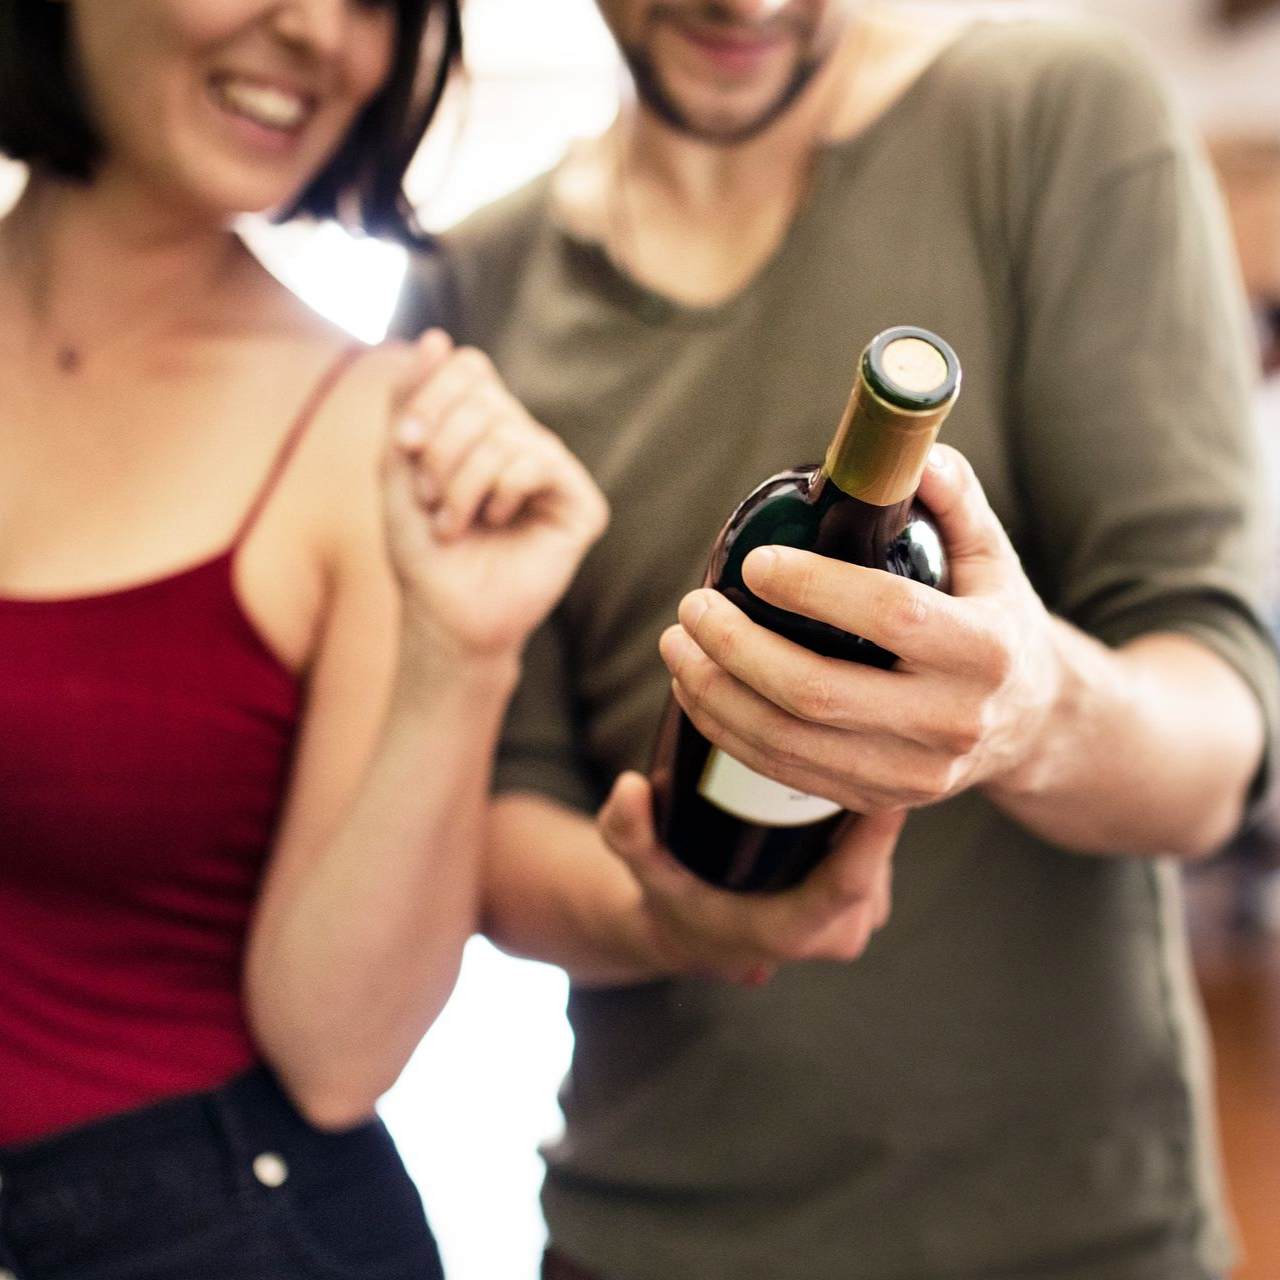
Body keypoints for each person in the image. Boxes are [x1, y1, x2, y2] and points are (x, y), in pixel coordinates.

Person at [393, 1, 1280, 1277]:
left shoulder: (1054, 117)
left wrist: (1039, 710)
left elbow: (1218, 735)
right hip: (648, 1234)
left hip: (1067, 1237)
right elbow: (491, 817)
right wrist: (677, 920)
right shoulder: (469, 281)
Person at [0, 2, 614, 1278]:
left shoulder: (377, 435)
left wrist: (464, 657)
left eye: (377, 1)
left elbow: (338, 1055)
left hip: (216, 1225)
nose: (321, 33)